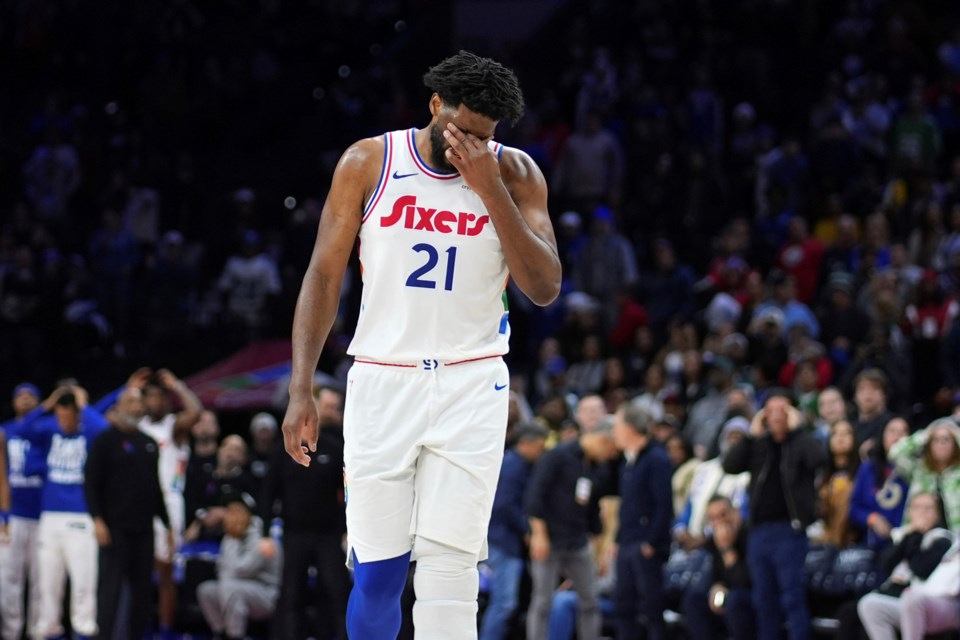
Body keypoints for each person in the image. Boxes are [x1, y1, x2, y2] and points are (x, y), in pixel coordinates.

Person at [279, 50, 561, 640]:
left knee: (450, 573)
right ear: (436, 106)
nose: (472, 150)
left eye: (486, 138)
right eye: (464, 133)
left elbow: (544, 287)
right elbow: (324, 276)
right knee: (378, 572)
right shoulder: (368, 161)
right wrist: (301, 386)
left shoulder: (515, 174)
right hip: (384, 377)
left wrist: (491, 191)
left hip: (472, 381)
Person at [723, 388, 827, 640]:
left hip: (790, 531)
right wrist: (750, 435)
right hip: (759, 531)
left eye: (782, 410)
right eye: (770, 411)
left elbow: (820, 459)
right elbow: (730, 465)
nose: (776, 416)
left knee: (792, 597)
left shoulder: (802, 442)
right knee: (763, 600)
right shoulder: (759, 444)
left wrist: (797, 430)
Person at [260, 386, 350, 640]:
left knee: (337, 592)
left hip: (329, 535)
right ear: (313, 406)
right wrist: (265, 533)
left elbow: (347, 493)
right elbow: (268, 492)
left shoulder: (335, 447)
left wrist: (347, 530)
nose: (333, 413)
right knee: (291, 595)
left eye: (336, 408)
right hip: (294, 533)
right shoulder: (284, 448)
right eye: (329, 407)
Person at [84, 386, 172, 640]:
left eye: (138, 403)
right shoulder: (104, 440)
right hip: (114, 530)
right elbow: (91, 483)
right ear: (119, 407)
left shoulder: (149, 444)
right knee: (109, 590)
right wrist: (97, 520)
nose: (135, 407)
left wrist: (166, 525)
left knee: (142, 592)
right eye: (130, 402)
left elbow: (155, 488)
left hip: (144, 530)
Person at [27, 386, 110, 640]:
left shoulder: (89, 432)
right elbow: (21, 430)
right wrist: (46, 405)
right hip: (49, 517)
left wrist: (84, 405)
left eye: (68, 416)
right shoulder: (49, 429)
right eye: (59, 416)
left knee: (83, 582)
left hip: (80, 516)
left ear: (77, 414)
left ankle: (84, 629)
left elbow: (105, 429)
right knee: (48, 583)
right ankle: (48, 629)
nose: (63, 422)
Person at [524, 422, 619, 640]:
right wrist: (539, 534)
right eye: (612, 451)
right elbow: (534, 496)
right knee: (543, 601)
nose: (611, 456)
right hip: (550, 539)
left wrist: (600, 550)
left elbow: (593, 511)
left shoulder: (597, 467)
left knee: (590, 601)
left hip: (578, 542)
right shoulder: (558, 455)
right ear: (603, 440)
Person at [138, 368, 203, 638]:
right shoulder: (137, 424)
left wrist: (177, 385)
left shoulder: (174, 426)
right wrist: (129, 389)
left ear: (166, 400)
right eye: (149, 397)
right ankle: (140, 627)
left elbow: (196, 412)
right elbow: (108, 419)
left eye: (159, 397)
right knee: (138, 571)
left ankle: (165, 630)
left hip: (169, 501)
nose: (154, 402)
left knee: (165, 573)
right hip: (140, 503)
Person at [479, 421, 548, 640]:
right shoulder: (513, 465)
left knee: (505, 603)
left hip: (504, 540)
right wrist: (528, 529)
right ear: (526, 443)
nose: (542, 451)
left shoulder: (515, 463)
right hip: (503, 541)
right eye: (539, 446)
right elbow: (504, 504)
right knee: (504, 603)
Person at [857, 492, 959, 640]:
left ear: (938, 513)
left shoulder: (942, 538)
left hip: (934, 600)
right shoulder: (905, 534)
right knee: (867, 604)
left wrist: (916, 535)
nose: (921, 513)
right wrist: (911, 535)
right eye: (917, 508)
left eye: (927, 508)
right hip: (902, 597)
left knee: (912, 600)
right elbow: (885, 564)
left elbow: (920, 568)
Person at [610, 404, 673, 640]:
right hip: (627, 542)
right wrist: (617, 540)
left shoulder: (657, 458)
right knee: (623, 607)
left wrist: (652, 542)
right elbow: (628, 506)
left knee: (652, 609)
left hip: (645, 545)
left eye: (617, 425)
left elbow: (664, 505)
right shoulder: (628, 461)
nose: (613, 431)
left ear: (630, 428)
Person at [197, 492, 282, 640]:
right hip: (240, 588)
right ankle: (221, 633)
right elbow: (222, 570)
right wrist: (232, 537)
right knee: (206, 591)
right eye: (229, 512)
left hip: (267, 593)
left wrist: (232, 539)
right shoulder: (232, 535)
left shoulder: (262, 534)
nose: (231, 517)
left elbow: (243, 569)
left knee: (231, 588)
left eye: (236, 511)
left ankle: (235, 635)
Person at [0, 383, 45, 640]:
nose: (26, 400)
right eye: (21, 396)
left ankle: (37, 633)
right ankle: (10, 633)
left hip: (42, 516)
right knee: (9, 579)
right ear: (13, 401)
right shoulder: (4, 431)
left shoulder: (48, 430)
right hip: (12, 515)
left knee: (41, 582)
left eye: (31, 396)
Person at [682, 495, 756, 640]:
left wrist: (727, 549)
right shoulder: (713, 542)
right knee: (694, 600)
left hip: (751, 599)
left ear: (736, 512)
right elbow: (715, 577)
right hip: (727, 600)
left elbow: (746, 582)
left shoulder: (751, 535)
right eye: (714, 518)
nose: (721, 521)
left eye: (724, 514)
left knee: (735, 600)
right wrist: (717, 586)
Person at [849, 416, 910, 549]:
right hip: (872, 542)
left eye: (903, 432)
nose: (897, 437)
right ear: (882, 436)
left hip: (905, 542)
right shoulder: (868, 468)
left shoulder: (915, 469)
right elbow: (854, 508)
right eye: (892, 431)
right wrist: (873, 519)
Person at [888, 417, 960, 531]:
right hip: (919, 534)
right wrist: (925, 434)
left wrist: (957, 434)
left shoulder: (958, 473)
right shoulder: (919, 469)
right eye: (935, 440)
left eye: (946, 439)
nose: (941, 444)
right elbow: (894, 453)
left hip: (955, 539)